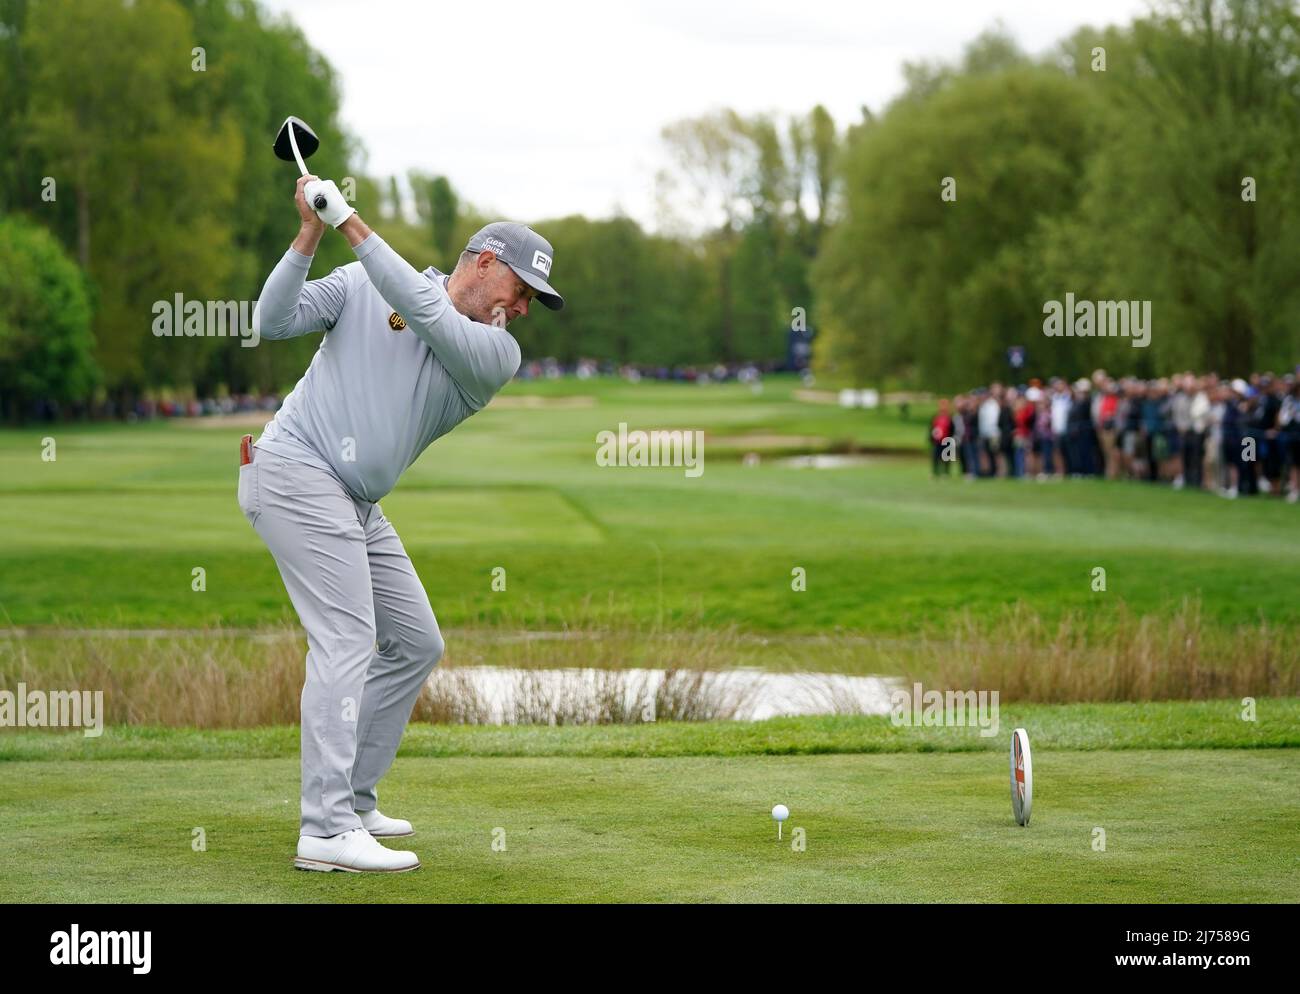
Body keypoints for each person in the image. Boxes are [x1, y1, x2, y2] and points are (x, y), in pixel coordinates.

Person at [238, 175, 563, 872]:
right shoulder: (361, 285)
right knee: (348, 636)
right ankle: (324, 830)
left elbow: (424, 310)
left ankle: (352, 799)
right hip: (294, 470)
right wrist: (311, 232)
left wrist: (349, 221)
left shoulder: (494, 353)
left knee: (415, 641)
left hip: (354, 500)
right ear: (484, 263)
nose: (524, 310)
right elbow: (270, 320)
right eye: (522, 290)